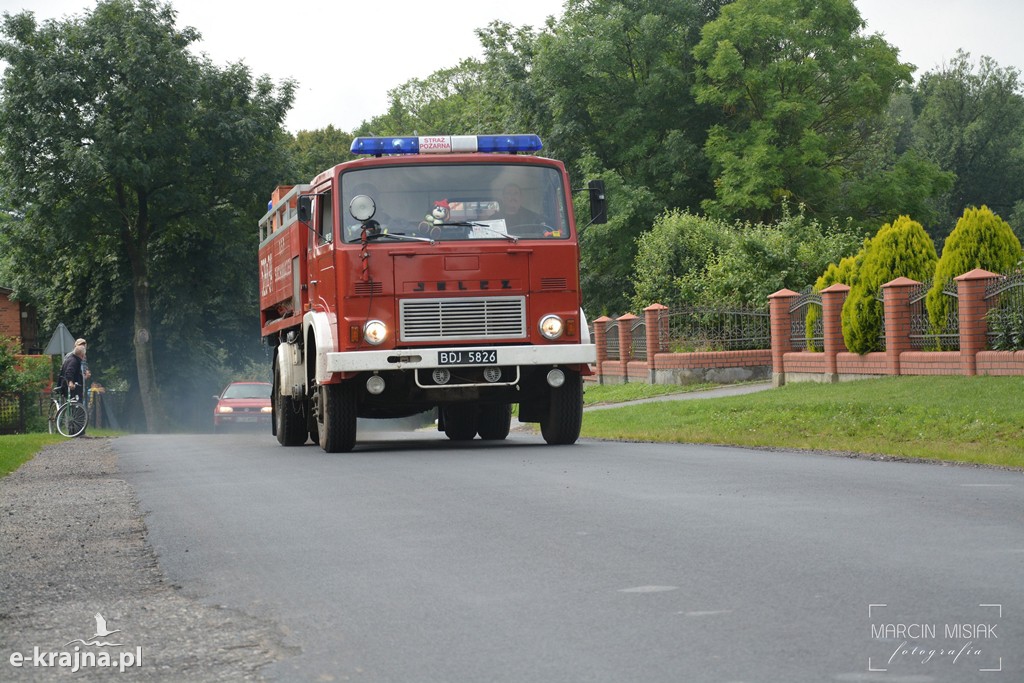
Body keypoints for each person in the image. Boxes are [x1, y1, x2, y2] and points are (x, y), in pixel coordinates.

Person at [58, 338, 90, 404]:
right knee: (75, 404)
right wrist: (70, 381)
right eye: (81, 345)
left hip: (79, 384)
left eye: (84, 345)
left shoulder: (82, 356)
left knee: (78, 403)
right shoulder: (73, 358)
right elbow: (69, 371)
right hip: (72, 384)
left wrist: (85, 375)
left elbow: (83, 368)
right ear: (76, 346)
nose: (83, 347)